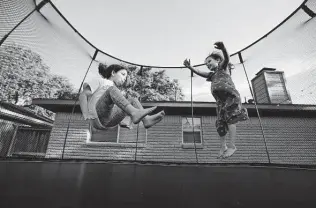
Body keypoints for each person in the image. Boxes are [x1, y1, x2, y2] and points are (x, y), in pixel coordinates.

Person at [183, 42, 248, 158]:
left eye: (209, 61)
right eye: (206, 64)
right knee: (220, 124)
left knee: (231, 120)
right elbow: (199, 72)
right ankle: (223, 146)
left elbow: (227, 59)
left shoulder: (223, 68)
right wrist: (190, 67)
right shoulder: (212, 75)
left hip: (231, 98)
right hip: (220, 102)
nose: (207, 65)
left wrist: (223, 49)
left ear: (217, 60)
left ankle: (232, 146)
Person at [79, 63, 165, 133]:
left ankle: (146, 120)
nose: (124, 78)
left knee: (132, 99)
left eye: (126, 77)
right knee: (112, 90)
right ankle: (134, 113)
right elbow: (83, 95)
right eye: (123, 74)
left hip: (109, 121)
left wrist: (124, 121)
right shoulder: (101, 81)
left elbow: (118, 107)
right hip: (97, 115)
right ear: (113, 73)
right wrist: (88, 115)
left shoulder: (115, 91)